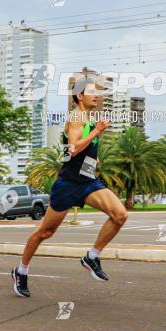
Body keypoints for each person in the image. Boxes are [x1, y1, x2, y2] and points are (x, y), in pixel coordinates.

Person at [11, 77, 128, 298]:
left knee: (120, 215)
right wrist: (96, 133)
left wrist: (93, 160)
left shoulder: (89, 119)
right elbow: (73, 149)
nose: (97, 95)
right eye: (92, 92)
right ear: (79, 96)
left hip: (88, 182)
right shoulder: (76, 117)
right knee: (45, 232)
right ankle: (21, 271)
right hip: (67, 185)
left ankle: (91, 257)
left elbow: (68, 152)